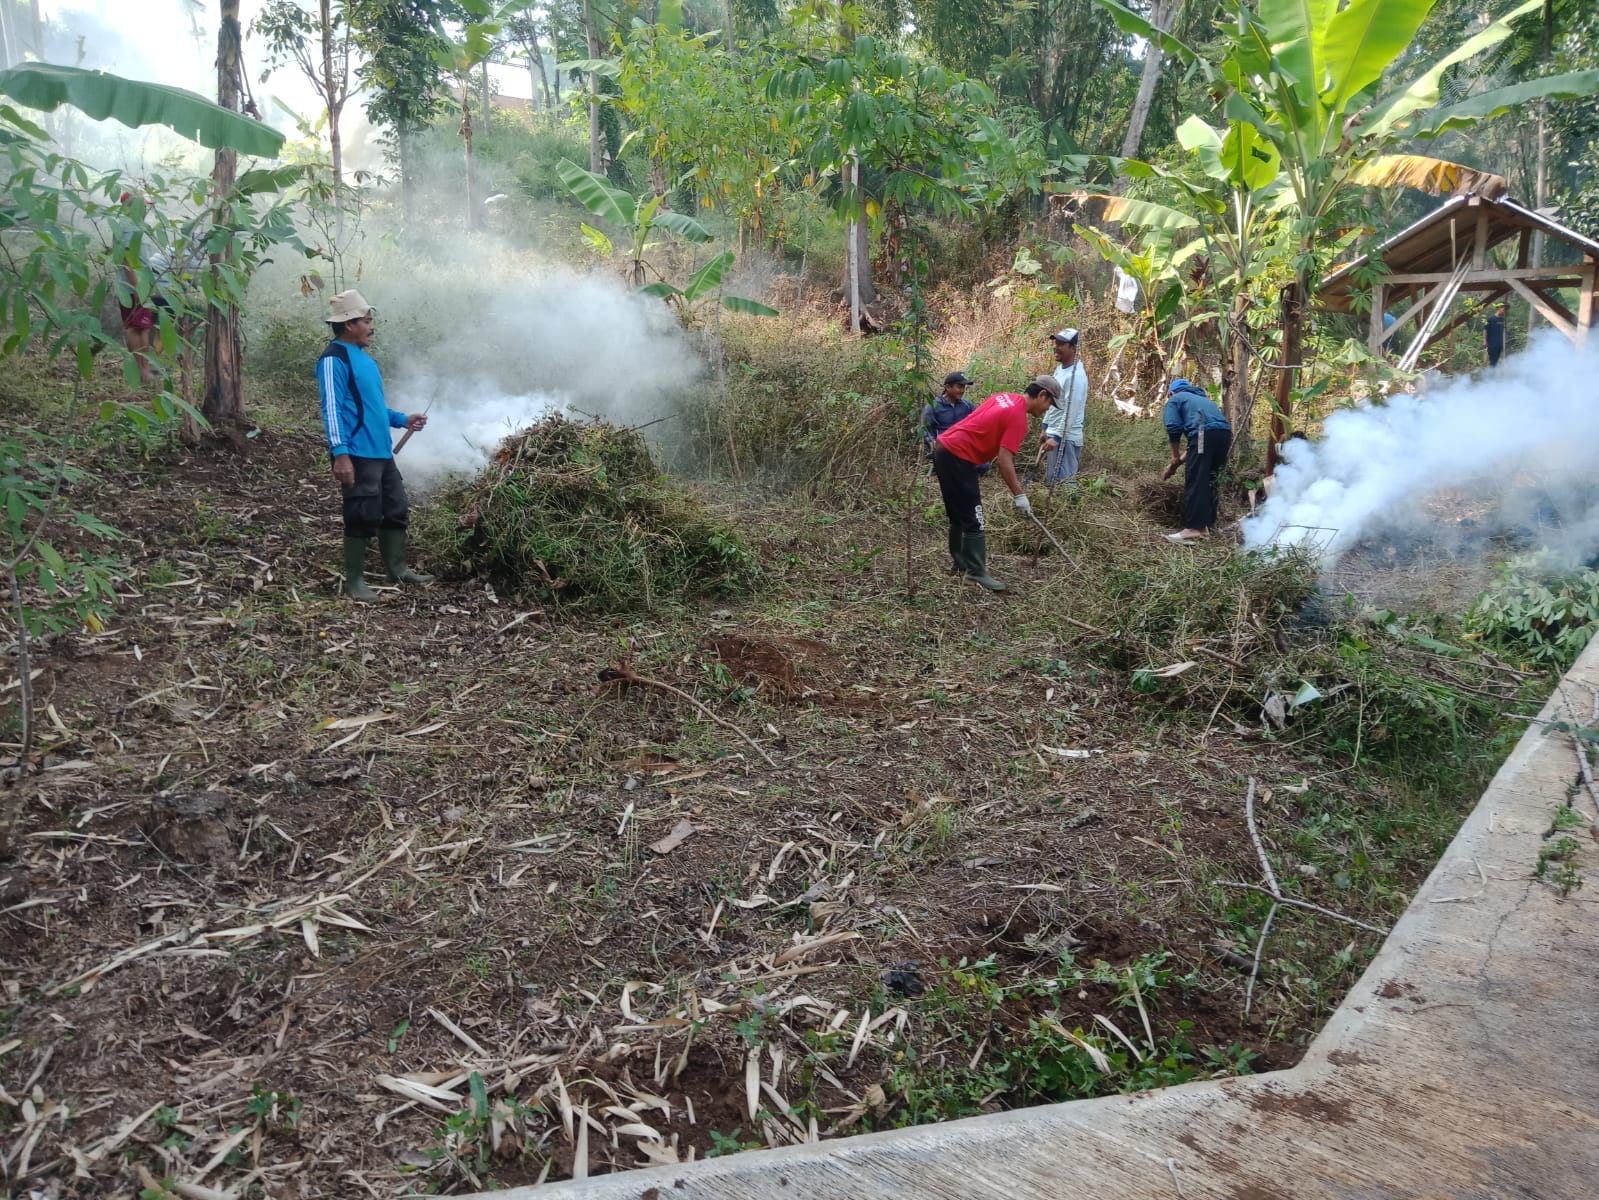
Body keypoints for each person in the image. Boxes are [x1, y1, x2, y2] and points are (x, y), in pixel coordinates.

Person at [317, 289, 431, 602]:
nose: (372, 326)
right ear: (349, 324)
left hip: (380, 452)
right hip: (357, 452)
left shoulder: (364, 360)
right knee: (362, 515)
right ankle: (355, 581)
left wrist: (402, 419)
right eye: (367, 321)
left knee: (396, 510)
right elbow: (332, 409)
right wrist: (340, 454)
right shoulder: (333, 359)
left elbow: (373, 406)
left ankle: (396, 568)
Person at [932, 375, 1060, 591]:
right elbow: (1004, 461)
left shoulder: (1004, 397)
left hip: (944, 448)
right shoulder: (1019, 418)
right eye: (1050, 403)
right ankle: (975, 573)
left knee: (957, 512)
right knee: (974, 516)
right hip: (959, 456)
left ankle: (961, 564)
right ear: (1042, 395)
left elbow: (985, 422)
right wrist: (1020, 495)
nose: (1049, 409)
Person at [1161, 378, 1232, 542]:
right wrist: (1177, 463)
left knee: (1197, 478)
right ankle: (1207, 525)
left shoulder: (1175, 399)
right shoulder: (1203, 400)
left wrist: (1174, 456)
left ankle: (1194, 528)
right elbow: (1197, 446)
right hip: (1224, 434)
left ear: (1172, 392)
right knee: (1211, 478)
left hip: (1202, 433)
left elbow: (1173, 427)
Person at [1040, 327, 1088, 487]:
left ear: (1073, 348)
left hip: (1065, 439)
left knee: (1065, 487)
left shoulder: (1077, 377)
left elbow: (1071, 411)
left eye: (1061, 344)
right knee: (1052, 483)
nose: (1055, 346)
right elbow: (1054, 401)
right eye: (1056, 342)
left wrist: (1058, 437)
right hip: (1054, 434)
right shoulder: (1061, 369)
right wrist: (1045, 427)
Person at [920, 371, 976, 459]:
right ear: (948, 387)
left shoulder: (966, 405)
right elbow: (924, 427)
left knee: (983, 465)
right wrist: (931, 441)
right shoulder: (934, 405)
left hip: (963, 447)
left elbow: (980, 416)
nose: (962, 391)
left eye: (964, 387)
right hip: (944, 450)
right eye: (959, 387)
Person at [1485, 302, 1507, 367]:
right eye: (1503, 309)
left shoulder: (1502, 319)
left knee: (1495, 361)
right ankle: (1491, 375)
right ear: (1498, 308)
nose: (1504, 310)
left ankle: (1492, 374)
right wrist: (1484, 341)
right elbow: (1485, 330)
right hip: (1492, 344)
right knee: (1493, 361)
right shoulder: (1490, 319)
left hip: (1499, 344)